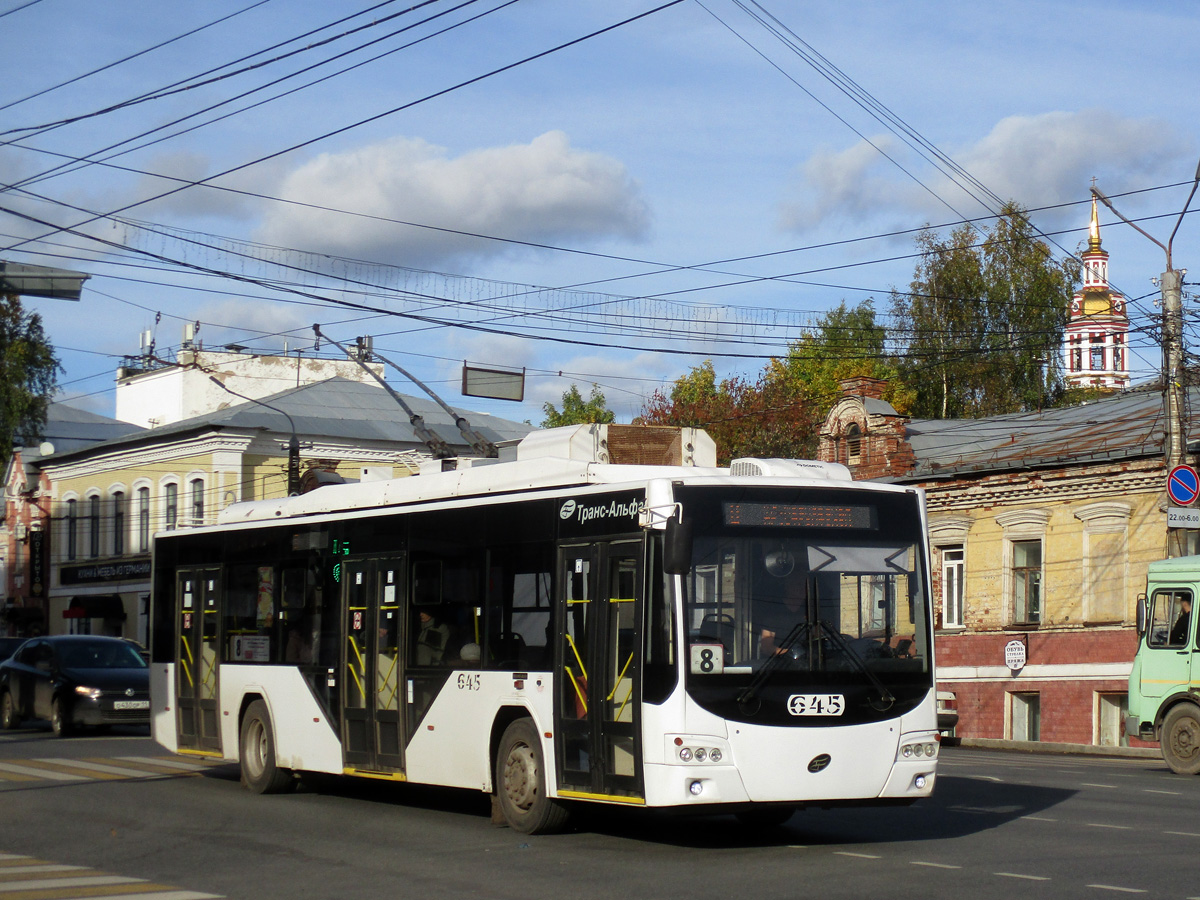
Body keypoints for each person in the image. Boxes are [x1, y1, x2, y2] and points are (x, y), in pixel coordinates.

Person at [758, 577, 809, 657]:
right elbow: (766, 647)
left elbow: (818, 638)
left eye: (805, 585)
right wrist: (790, 654)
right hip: (779, 664)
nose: (803, 588)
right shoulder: (774, 610)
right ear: (788, 586)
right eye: (798, 584)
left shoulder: (812, 609)